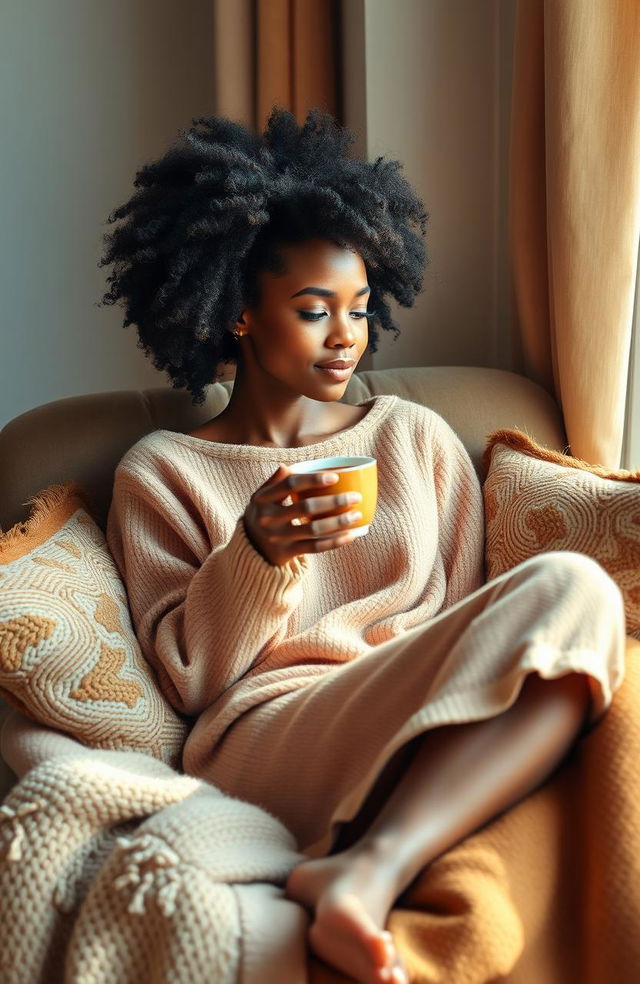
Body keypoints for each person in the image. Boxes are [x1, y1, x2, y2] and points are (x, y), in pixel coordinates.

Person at [101, 107, 625, 984]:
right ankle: (368, 868)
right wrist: (254, 557)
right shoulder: (163, 471)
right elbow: (189, 685)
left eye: (356, 308)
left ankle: (369, 868)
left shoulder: (414, 438)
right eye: (314, 311)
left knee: (582, 616)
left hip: (415, 711)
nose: (347, 335)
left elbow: (463, 621)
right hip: (266, 734)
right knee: (571, 592)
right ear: (238, 313)